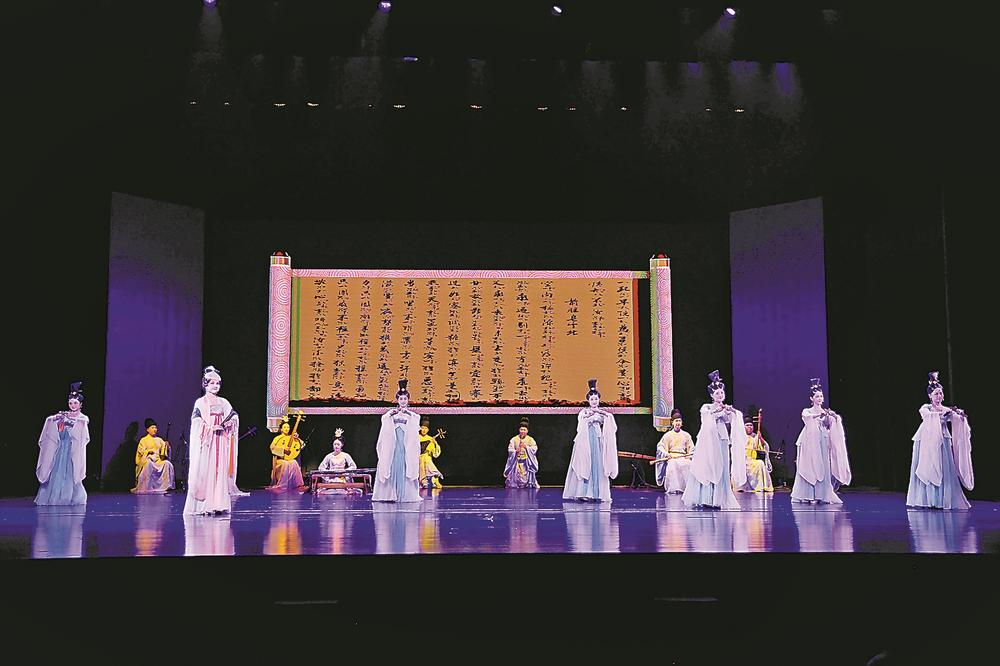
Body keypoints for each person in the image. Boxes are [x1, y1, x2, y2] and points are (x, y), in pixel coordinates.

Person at [906, 371, 973, 510]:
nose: (939, 396)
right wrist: (942, 414)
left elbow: (955, 418)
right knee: (928, 466)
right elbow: (927, 415)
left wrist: (960, 416)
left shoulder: (945, 409)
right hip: (926, 439)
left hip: (942, 439)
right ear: (930, 396)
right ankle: (927, 500)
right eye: (936, 393)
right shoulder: (926, 408)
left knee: (944, 468)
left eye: (940, 393)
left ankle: (941, 500)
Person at [681, 370, 746, 510]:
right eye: (717, 393)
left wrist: (732, 412)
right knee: (708, 466)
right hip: (708, 442)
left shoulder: (725, 407)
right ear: (711, 395)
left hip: (722, 439)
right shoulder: (706, 407)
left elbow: (729, 420)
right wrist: (718, 411)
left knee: (722, 467)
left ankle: (719, 498)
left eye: (722, 393)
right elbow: (707, 418)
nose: (720, 395)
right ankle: (705, 498)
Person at [183, 366, 240, 515]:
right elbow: (196, 421)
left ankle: (218, 504)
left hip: (221, 441)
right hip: (208, 441)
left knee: (220, 470)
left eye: (217, 383)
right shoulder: (200, 402)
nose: (215, 386)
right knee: (207, 471)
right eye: (212, 383)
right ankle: (205, 505)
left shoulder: (223, 402)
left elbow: (234, 416)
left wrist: (230, 423)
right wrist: (209, 428)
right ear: (205, 384)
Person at [790, 378, 850, 504]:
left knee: (823, 465)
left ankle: (822, 495)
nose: (819, 398)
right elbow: (807, 418)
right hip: (809, 441)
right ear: (811, 398)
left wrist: (835, 418)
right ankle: (809, 495)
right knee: (810, 465)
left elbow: (831, 425)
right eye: (817, 396)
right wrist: (819, 415)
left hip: (822, 439)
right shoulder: (807, 411)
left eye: (821, 396)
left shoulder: (826, 412)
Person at [563, 379, 618, 502]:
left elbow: (610, 420)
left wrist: (600, 413)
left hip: (597, 441)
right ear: (588, 400)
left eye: (596, 399)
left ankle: (597, 493)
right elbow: (581, 423)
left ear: (599, 400)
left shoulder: (601, 413)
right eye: (592, 399)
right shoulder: (584, 412)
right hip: (585, 442)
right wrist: (587, 417)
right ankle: (583, 492)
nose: (594, 401)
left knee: (597, 465)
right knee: (585, 464)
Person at [35, 381, 90, 506]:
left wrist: (69, 420)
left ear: (80, 404)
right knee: (56, 473)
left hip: (72, 450)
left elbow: (81, 424)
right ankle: (55, 497)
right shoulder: (64, 415)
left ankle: (69, 497)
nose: (73, 405)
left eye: (75, 403)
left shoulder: (82, 418)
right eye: (70, 403)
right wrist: (56, 419)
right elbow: (54, 424)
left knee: (71, 473)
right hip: (61, 449)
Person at [372, 379, 422, 502]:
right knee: (390, 463)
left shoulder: (412, 415)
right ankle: (390, 494)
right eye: (401, 399)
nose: (403, 401)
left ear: (408, 400)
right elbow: (384, 420)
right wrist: (390, 414)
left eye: (405, 399)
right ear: (397, 400)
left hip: (405, 445)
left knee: (405, 464)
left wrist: (408, 413)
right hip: (393, 445)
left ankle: (404, 494)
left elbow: (416, 420)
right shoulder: (392, 413)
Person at [654, 409, 694, 494]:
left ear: (682, 423)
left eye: (679, 421)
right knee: (672, 464)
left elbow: (691, 448)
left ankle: (686, 489)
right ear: (672, 422)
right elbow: (660, 447)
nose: (678, 423)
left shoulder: (686, 435)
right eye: (676, 421)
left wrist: (689, 456)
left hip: (683, 457)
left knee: (689, 463)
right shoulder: (668, 435)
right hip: (672, 457)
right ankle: (674, 488)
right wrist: (666, 454)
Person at [132, 418, 175, 494]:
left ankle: (166, 486)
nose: (154, 429)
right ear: (147, 430)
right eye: (152, 428)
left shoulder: (159, 440)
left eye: (155, 428)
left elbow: (163, 454)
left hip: (158, 461)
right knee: (148, 464)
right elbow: (141, 452)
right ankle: (147, 486)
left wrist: (167, 447)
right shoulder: (143, 440)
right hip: (148, 459)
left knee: (167, 464)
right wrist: (148, 452)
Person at [316, 428, 361, 495]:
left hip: (342, 478)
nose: (336, 446)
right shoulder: (329, 456)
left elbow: (353, 466)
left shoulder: (346, 455)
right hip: (331, 479)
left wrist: (345, 472)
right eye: (335, 444)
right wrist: (329, 473)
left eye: (338, 444)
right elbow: (321, 468)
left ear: (341, 445)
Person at [268, 414, 305, 491]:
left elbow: (302, 446)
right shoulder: (277, 438)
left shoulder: (292, 437)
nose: (286, 429)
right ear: (281, 429)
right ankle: (282, 485)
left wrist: (298, 439)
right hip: (280, 460)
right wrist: (283, 450)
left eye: (288, 427)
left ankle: (297, 485)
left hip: (289, 459)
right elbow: (272, 448)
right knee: (285, 464)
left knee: (294, 462)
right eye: (284, 427)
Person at [740, 414, 773, 493]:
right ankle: (741, 486)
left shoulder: (755, 436)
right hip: (741, 460)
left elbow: (764, 446)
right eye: (747, 425)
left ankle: (760, 486)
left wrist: (760, 438)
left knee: (760, 463)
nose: (749, 427)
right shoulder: (740, 436)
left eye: (751, 425)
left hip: (752, 460)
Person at [504, 416, 540, 488]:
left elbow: (534, 448)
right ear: (519, 430)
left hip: (526, 462)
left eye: (524, 430)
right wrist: (515, 451)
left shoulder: (530, 439)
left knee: (528, 475)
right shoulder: (514, 439)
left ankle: (529, 483)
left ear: (527, 431)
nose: (523, 431)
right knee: (514, 479)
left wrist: (526, 447)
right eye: (521, 429)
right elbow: (510, 449)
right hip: (517, 462)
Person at [418, 417, 445, 489]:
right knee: (422, 461)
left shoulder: (430, 438)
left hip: (427, 458)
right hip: (418, 458)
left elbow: (435, 454)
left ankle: (434, 481)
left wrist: (435, 443)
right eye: (422, 428)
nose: (424, 430)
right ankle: (424, 481)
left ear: (428, 430)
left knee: (426, 461)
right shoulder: (416, 437)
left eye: (425, 428)